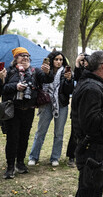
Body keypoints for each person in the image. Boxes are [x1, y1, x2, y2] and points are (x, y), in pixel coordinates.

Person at [72, 51, 103, 196]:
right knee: (89, 191)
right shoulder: (91, 89)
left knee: (93, 190)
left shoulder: (98, 85)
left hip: (99, 150)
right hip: (92, 150)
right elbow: (90, 124)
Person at [2, 47, 53, 179]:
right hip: (13, 111)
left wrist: (48, 73)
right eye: (21, 56)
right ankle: (10, 167)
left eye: (27, 56)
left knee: (24, 138)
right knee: (12, 139)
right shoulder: (9, 71)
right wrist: (15, 86)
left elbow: (48, 79)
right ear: (15, 59)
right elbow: (2, 89)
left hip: (28, 111)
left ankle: (20, 163)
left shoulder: (35, 71)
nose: (25, 58)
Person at [28, 51, 74, 167]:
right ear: (51, 60)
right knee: (40, 132)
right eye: (56, 59)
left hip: (61, 104)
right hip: (46, 103)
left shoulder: (66, 72)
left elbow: (69, 91)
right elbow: (38, 84)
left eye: (61, 60)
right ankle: (33, 157)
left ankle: (55, 157)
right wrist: (46, 73)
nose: (59, 62)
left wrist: (69, 80)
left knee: (59, 133)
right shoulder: (42, 70)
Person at [66, 53, 89, 167]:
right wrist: (77, 63)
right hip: (77, 107)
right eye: (83, 60)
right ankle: (71, 156)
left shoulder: (92, 72)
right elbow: (79, 77)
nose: (84, 62)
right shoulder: (80, 73)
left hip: (88, 107)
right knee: (74, 132)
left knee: (86, 133)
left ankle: (83, 155)